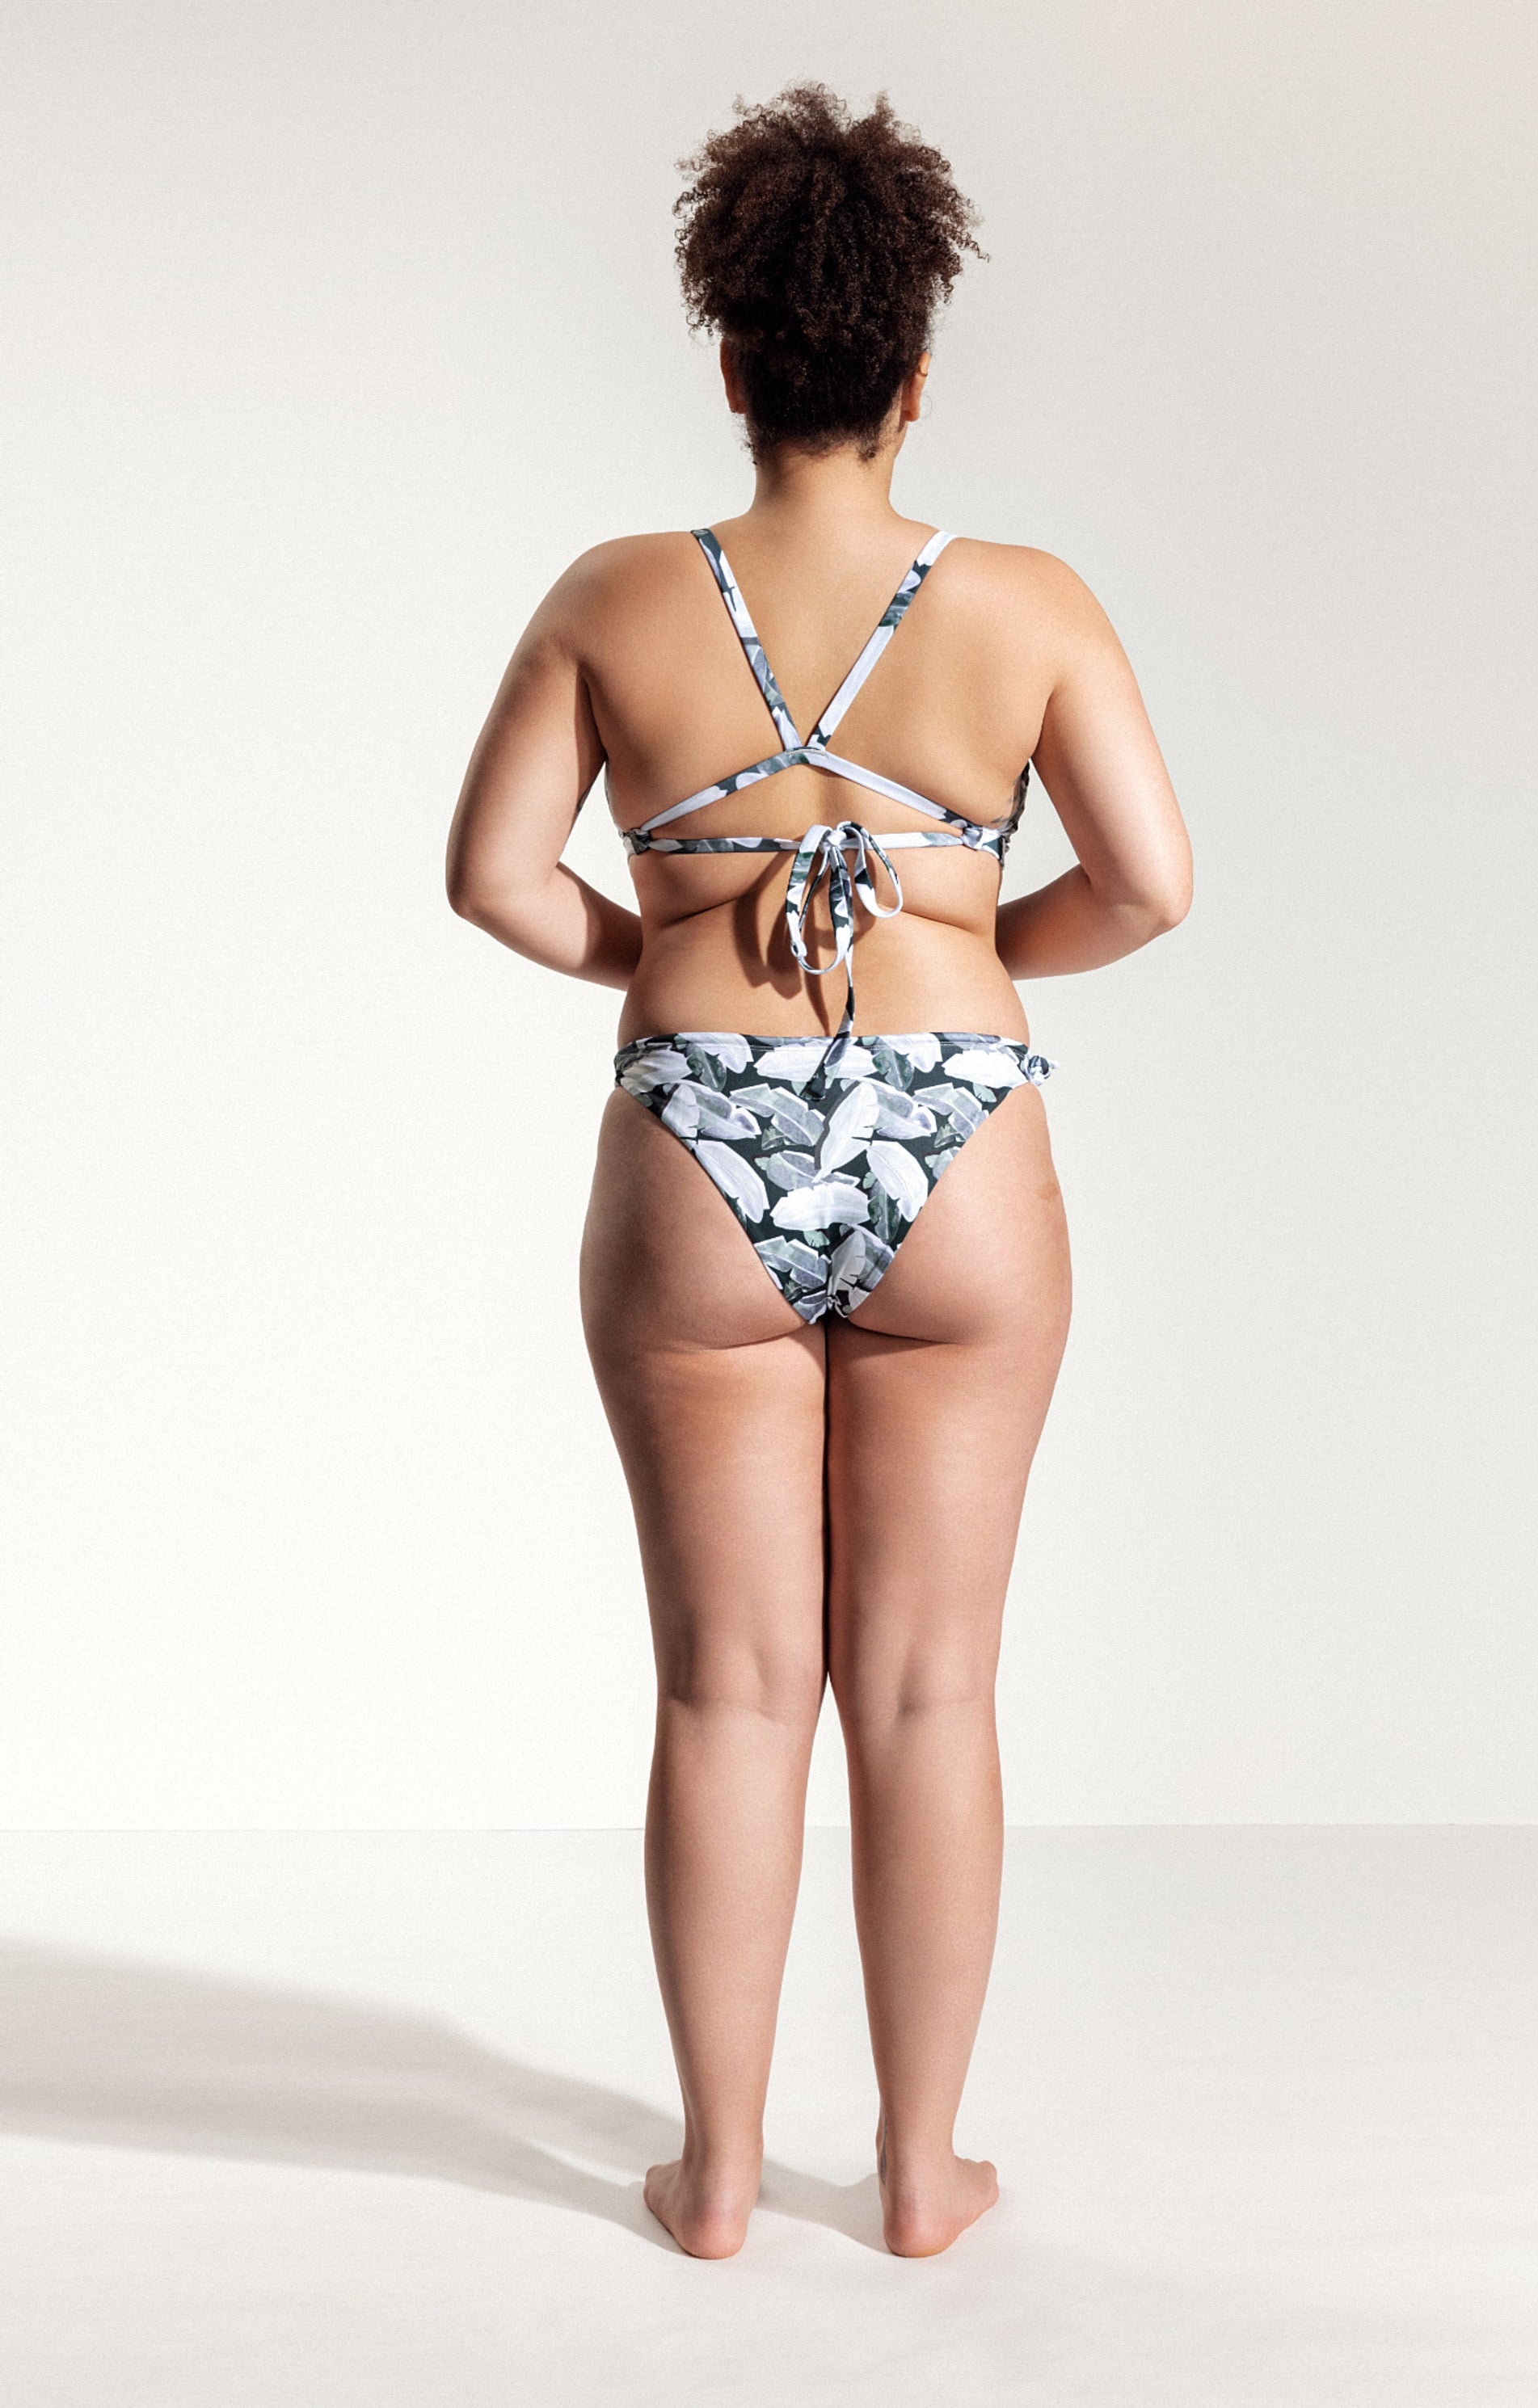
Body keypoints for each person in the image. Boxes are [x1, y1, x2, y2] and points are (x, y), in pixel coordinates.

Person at [445, 83, 1191, 2259]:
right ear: (915, 366)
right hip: (964, 1141)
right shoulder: (1027, 601)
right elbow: (1150, 884)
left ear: (731, 358)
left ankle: (710, 2174)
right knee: (932, 1685)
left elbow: (495, 876)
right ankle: (923, 2172)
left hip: (696, 1131)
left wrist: (677, 954)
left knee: (726, 1682)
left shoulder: (615, 596)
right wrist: (960, 943)